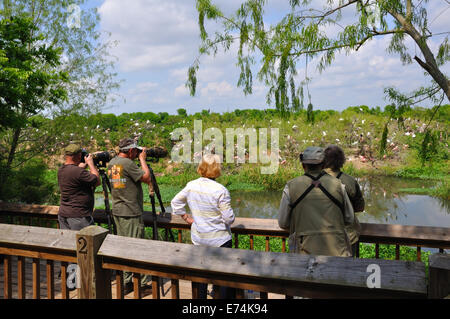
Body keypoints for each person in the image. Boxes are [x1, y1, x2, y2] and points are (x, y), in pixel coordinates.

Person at [171, 154, 235, 299]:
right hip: (219, 240)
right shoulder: (221, 190)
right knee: (224, 275)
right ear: (217, 169)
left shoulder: (191, 185)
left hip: (199, 239)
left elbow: (175, 203)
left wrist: (186, 218)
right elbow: (228, 218)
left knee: (201, 275)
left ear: (201, 167)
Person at [278, 146, 354, 257]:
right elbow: (349, 218)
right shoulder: (338, 185)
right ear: (323, 165)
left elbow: (283, 223)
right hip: (337, 253)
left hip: (304, 254)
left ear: (303, 166)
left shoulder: (291, 186)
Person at [107, 138, 152, 294]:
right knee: (139, 246)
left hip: (118, 210)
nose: (137, 153)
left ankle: (127, 282)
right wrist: (142, 159)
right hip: (131, 211)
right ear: (131, 150)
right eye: (136, 151)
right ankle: (145, 284)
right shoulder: (127, 164)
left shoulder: (113, 162)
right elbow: (147, 178)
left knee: (123, 247)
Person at [324, 144, 365, 256]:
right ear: (341, 160)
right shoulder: (350, 181)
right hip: (347, 237)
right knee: (348, 270)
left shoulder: (314, 181)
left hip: (321, 238)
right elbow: (360, 207)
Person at [58, 143, 100, 231]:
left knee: (67, 243)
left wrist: (81, 167)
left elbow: (75, 178)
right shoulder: (78, 172)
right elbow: (96, 181)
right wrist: (91, 164)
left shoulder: (61, 170)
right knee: (86, 242)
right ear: (79, 155)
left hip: (64, 214)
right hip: (79, 216)